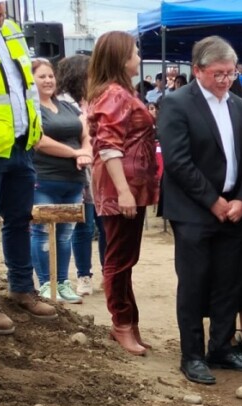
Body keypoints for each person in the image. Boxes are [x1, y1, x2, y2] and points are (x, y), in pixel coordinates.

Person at [157, 36, 242, 385]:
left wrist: (241, 199)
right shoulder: (176, 103)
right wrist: (212, 201)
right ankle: (192, 354)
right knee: (194, 283)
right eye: (219, 73)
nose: (225, 80)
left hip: (233, 207)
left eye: (231, 73)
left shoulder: (238, 104)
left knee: (228, 283)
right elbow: (178, 161)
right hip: (193, 210)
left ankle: (221, 347)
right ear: (198, 70)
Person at [87, 31, 160, 355]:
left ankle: (129, 322)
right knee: (118, 260)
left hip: (130, 186)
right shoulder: (114, 94)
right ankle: (121, 324)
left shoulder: (119, 92)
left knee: (125, 258)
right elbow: (108, 146)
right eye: (135, 52)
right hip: (121, 188)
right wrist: (124, 191)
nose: (139, 57)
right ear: (121, 58)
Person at [0, 0, 57, 335]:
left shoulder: (12, 31)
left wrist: (34, 127)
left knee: (19, 219)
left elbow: (24, 87)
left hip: (19, 143)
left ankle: (21, 288)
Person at [30, 58, 91, 304]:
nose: (48, 80)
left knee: (66, 233)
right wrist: (75, 153)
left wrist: (85, 152)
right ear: (31, 81)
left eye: (51, 76)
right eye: (42, 77)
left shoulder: (67, 106)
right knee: (43, 232)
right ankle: (47, 282)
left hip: (73, 180)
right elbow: (39, 140)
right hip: (43, 178)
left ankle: (63, 282)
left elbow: (86, 133)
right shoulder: (31, 108)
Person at [56, 53, 100, 297]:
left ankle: (108, 273)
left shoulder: (96, 99)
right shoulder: (62, 103)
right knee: (84, 225)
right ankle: (84, 275)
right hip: (79, 169)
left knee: (105, 225)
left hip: (100, 168)